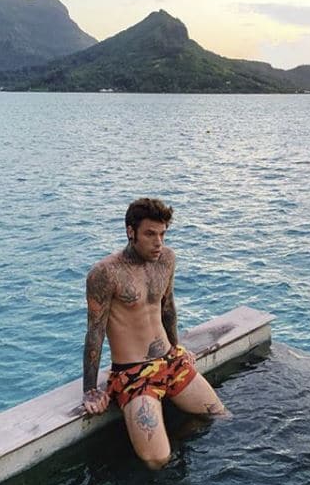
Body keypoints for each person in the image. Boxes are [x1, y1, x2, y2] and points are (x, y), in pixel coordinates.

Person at [82, 198, 226, 469]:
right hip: (133, 373)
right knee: (157, 460)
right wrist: (90, 389)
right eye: (150, 234)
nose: (158, 242)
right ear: (130, 232)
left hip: (170, 362)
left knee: (218, 415)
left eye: (162, 234)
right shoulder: (105, 273)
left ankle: (174, 438)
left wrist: (177, 347)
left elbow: (167, 308)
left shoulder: (166, 260)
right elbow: (95, 332)